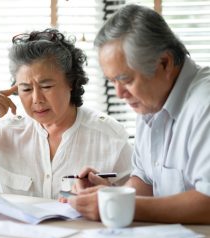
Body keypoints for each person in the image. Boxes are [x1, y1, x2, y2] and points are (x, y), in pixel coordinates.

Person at [66, 4, 210, 223]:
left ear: (164, 63)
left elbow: (207, 203)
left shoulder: (204, 103)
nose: (120, 94)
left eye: (126, 79)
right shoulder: (152, 100)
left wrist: (119, 205)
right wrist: (111, 194)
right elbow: (146, 182)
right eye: (112, 81)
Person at [0, 28, 133, 199]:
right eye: (26, 88)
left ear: (71, 82)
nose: (37, 99)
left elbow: (136, 201)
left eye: (46, 87)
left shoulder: (110, 136)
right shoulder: (8, 133)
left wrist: (109, 193)